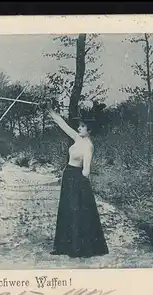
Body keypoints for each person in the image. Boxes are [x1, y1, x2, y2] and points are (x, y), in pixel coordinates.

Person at [44, 101, 109, 258]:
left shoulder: (88, 146)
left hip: (78, 179)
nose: (78, 128)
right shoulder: (77, 138)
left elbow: (86, 169)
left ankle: (77, 248)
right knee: (66, 210)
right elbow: (62, 124)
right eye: (79, 126)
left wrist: (83, 187)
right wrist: (50, 110)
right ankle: (62, 247)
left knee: (76, 212)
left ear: (89, 130)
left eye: (82, 126)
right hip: (68, 176)